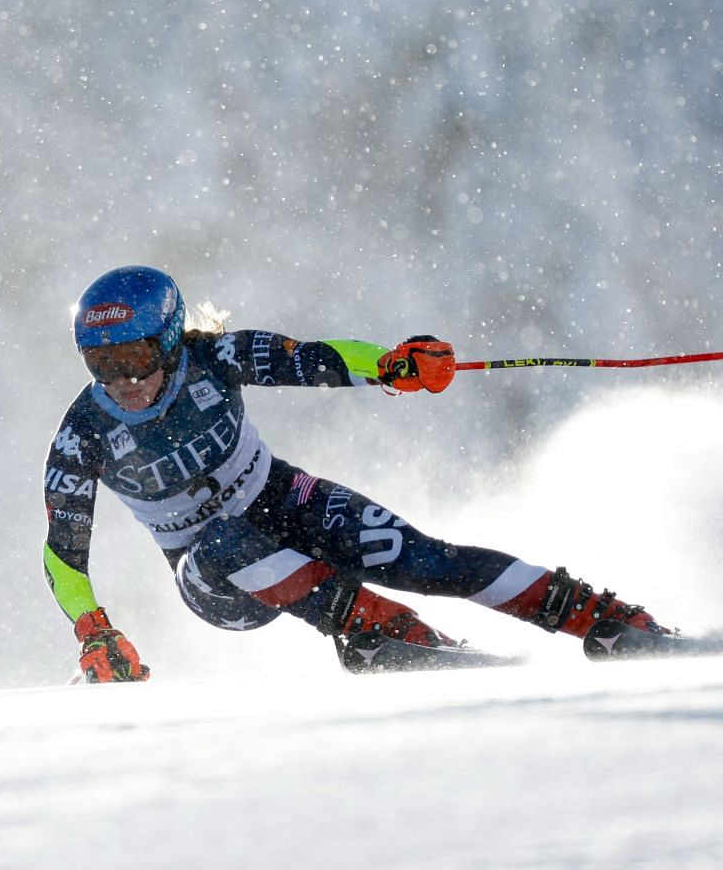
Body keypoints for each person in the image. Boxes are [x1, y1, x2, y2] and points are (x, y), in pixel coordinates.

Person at [42, 265, 688, 682]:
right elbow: (63, 557)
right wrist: (93, 631)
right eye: (101, 364)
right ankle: (370, 627)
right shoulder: (83, 433)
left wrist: (393, 366)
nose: (122, 381)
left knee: (425, 558)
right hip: (213, 578)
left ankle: (595, 614)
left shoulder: (214, 358)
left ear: (172, 337)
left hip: (281, 498)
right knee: (220, 538)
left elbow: (309, 359)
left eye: (134, 357)